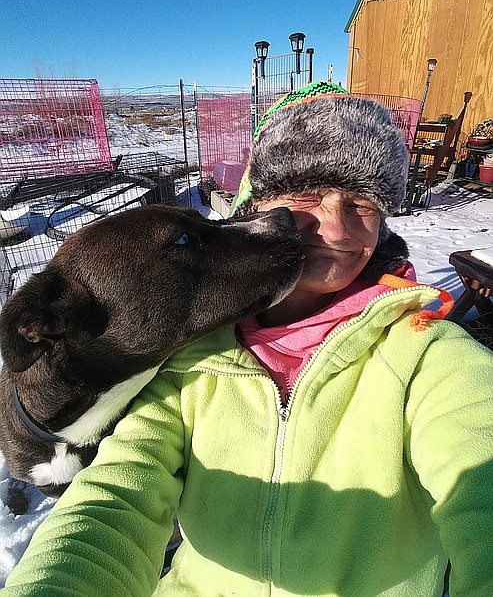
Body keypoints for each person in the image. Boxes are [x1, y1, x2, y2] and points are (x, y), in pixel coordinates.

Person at [3, 82, 493, 597]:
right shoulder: (193, 356)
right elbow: (115, 503)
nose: (337, 229)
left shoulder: (427, 355)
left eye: (362, 202)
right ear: (261, 204)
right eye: (305, 194)